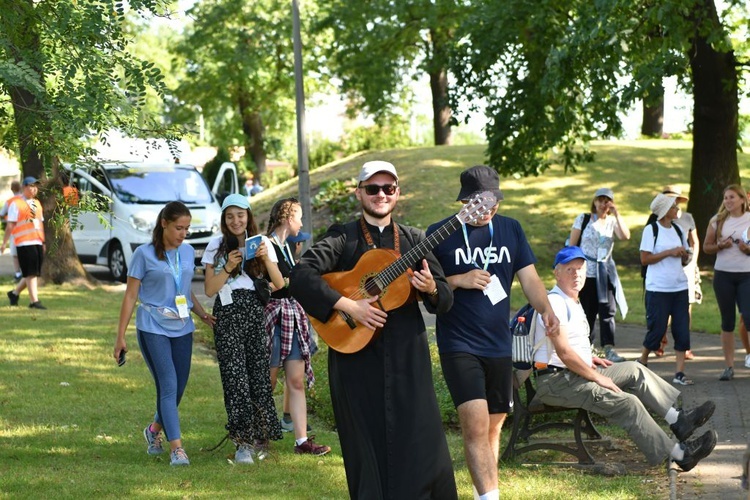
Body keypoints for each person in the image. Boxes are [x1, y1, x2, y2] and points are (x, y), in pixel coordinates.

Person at [289, 160, 457, 499]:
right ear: (359, 193)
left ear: (397, 193)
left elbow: (445, 299)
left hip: (407, 357)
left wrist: (431, 288)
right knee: (364, 446)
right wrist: (348, 305)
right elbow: (300, 276)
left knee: (420, 442)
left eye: (388, 188)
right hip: (356, 358)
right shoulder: (342, 236)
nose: (381, 194)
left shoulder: (414, 240)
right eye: (372, 188)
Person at [428, 165, 559, 500]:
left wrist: (545, 310)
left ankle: (482, 491)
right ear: (466, 201)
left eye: (494, 202)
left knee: (494, 425)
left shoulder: (510, 230)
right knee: (474, 424)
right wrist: (459, 280)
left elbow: (529, 278)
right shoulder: (439, 233)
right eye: (482, 202)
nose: (490, 209)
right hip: (459, 342)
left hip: (499, 343)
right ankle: (491, 497)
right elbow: (426, 290)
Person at [533, 246, 717, 472]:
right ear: (556, 273)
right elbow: (563, 354)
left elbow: (567, 348)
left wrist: (588, 357)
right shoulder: (555, 304)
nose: (576, 275)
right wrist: (599, 378)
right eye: (569, 269)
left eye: (580, 269)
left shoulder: (572, 301)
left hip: (573, 372)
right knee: (628, 403)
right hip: (557, 383)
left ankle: (679, 420)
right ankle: (680, 455)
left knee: (634, 369)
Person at [113, 201, 214, 466]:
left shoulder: (189, 251)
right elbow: (131, 295)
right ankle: (177, 449)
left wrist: (202, 314)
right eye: (179, 228)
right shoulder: (144, 255)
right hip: (152, 326)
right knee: (168, 385)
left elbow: (183, 289)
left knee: (178, 388)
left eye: (187, 229)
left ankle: (154, 430)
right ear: (164, 224)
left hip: (182, 327)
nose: (183, 233)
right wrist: (120, 336)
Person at [202, 194, 285, 464]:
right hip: (227, 313)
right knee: (234, 377)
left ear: (249, 216)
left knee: (258, 376)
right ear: (224, 220)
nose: (236, 221)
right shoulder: (216, 244)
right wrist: (227, 266)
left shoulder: (262, 243)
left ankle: (260, 436)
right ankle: (242, 443)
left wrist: (266, 258)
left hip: (253, 311)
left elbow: (280, 284)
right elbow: (210, 289)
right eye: (230, 216)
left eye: (241, 215)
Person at [264, 198, 329, 455]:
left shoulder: (286, 248)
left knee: (296, 380)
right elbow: (274, 285)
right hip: (273, 318)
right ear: (288, 218)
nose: (301, 223)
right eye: (299, 217)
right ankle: (260, 433)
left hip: (291, 316)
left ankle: (301, 441)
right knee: (267, 380)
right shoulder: (266, 244)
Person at [568, 187, 630, 362]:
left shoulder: (612, 222)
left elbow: (625, 236)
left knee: (608, 311)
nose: (603, 204)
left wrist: (617, 213)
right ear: (594, 201)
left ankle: (609, 348)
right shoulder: (584, 219)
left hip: (606, 271)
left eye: (607, 201)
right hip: (586, 272)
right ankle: (587, 347)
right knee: (587, 311)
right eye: (600, 200)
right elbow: (572, 245)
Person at [638, 194, 693, 384]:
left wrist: (685, 255)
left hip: (679, 287)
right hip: (658, 288)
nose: (677, 208)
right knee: (657, 328)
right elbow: (645, 259)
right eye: (674, 206)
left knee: (681, 329)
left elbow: (685, 259)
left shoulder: (679, 230)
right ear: (664, 210)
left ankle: (679, 373)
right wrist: (670, 252)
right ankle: (643, 360)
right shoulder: (651, 230)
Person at [702, 184, 750, 381]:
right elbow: (706, 247)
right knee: (727, 322)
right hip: (723, 276)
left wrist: (747, 250)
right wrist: (720, 245)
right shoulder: (718, 220)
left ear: (741, 199)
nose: (728, 201)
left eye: (732, 197)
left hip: (747, 275)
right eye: (725, 198)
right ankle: (729, 367)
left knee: (748, 316)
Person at [657, 186, 700, 360]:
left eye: (674, 199)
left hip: (686, 266)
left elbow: (694, 241)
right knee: (665, 306)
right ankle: (660, 339)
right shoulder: (658, 218)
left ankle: (684, 345)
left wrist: (693, 263)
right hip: (666, 265)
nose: (672, 202)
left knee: (686, 307)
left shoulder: (688, 217)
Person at [3, 177, 46, 309]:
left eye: (35, 186)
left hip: (37, 240)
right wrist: (4, 243)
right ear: (24, 187)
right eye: (30, 186)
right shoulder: (16, 204)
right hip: (24, 242)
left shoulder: (36, 203)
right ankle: (34, 301)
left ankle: (14, 293)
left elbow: (39, 223)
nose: (33, 189)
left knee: (33, 272)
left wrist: (43, 242)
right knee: (31, 273)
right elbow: (10, 225)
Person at [0, 179, 23, 282]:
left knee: (15, 254)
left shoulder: (10, 202)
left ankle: (18, 274)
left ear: (11, 189)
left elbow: (1, 214)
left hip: (14, 231)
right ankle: (24, 272)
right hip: (26, 230)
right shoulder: (25, 199)